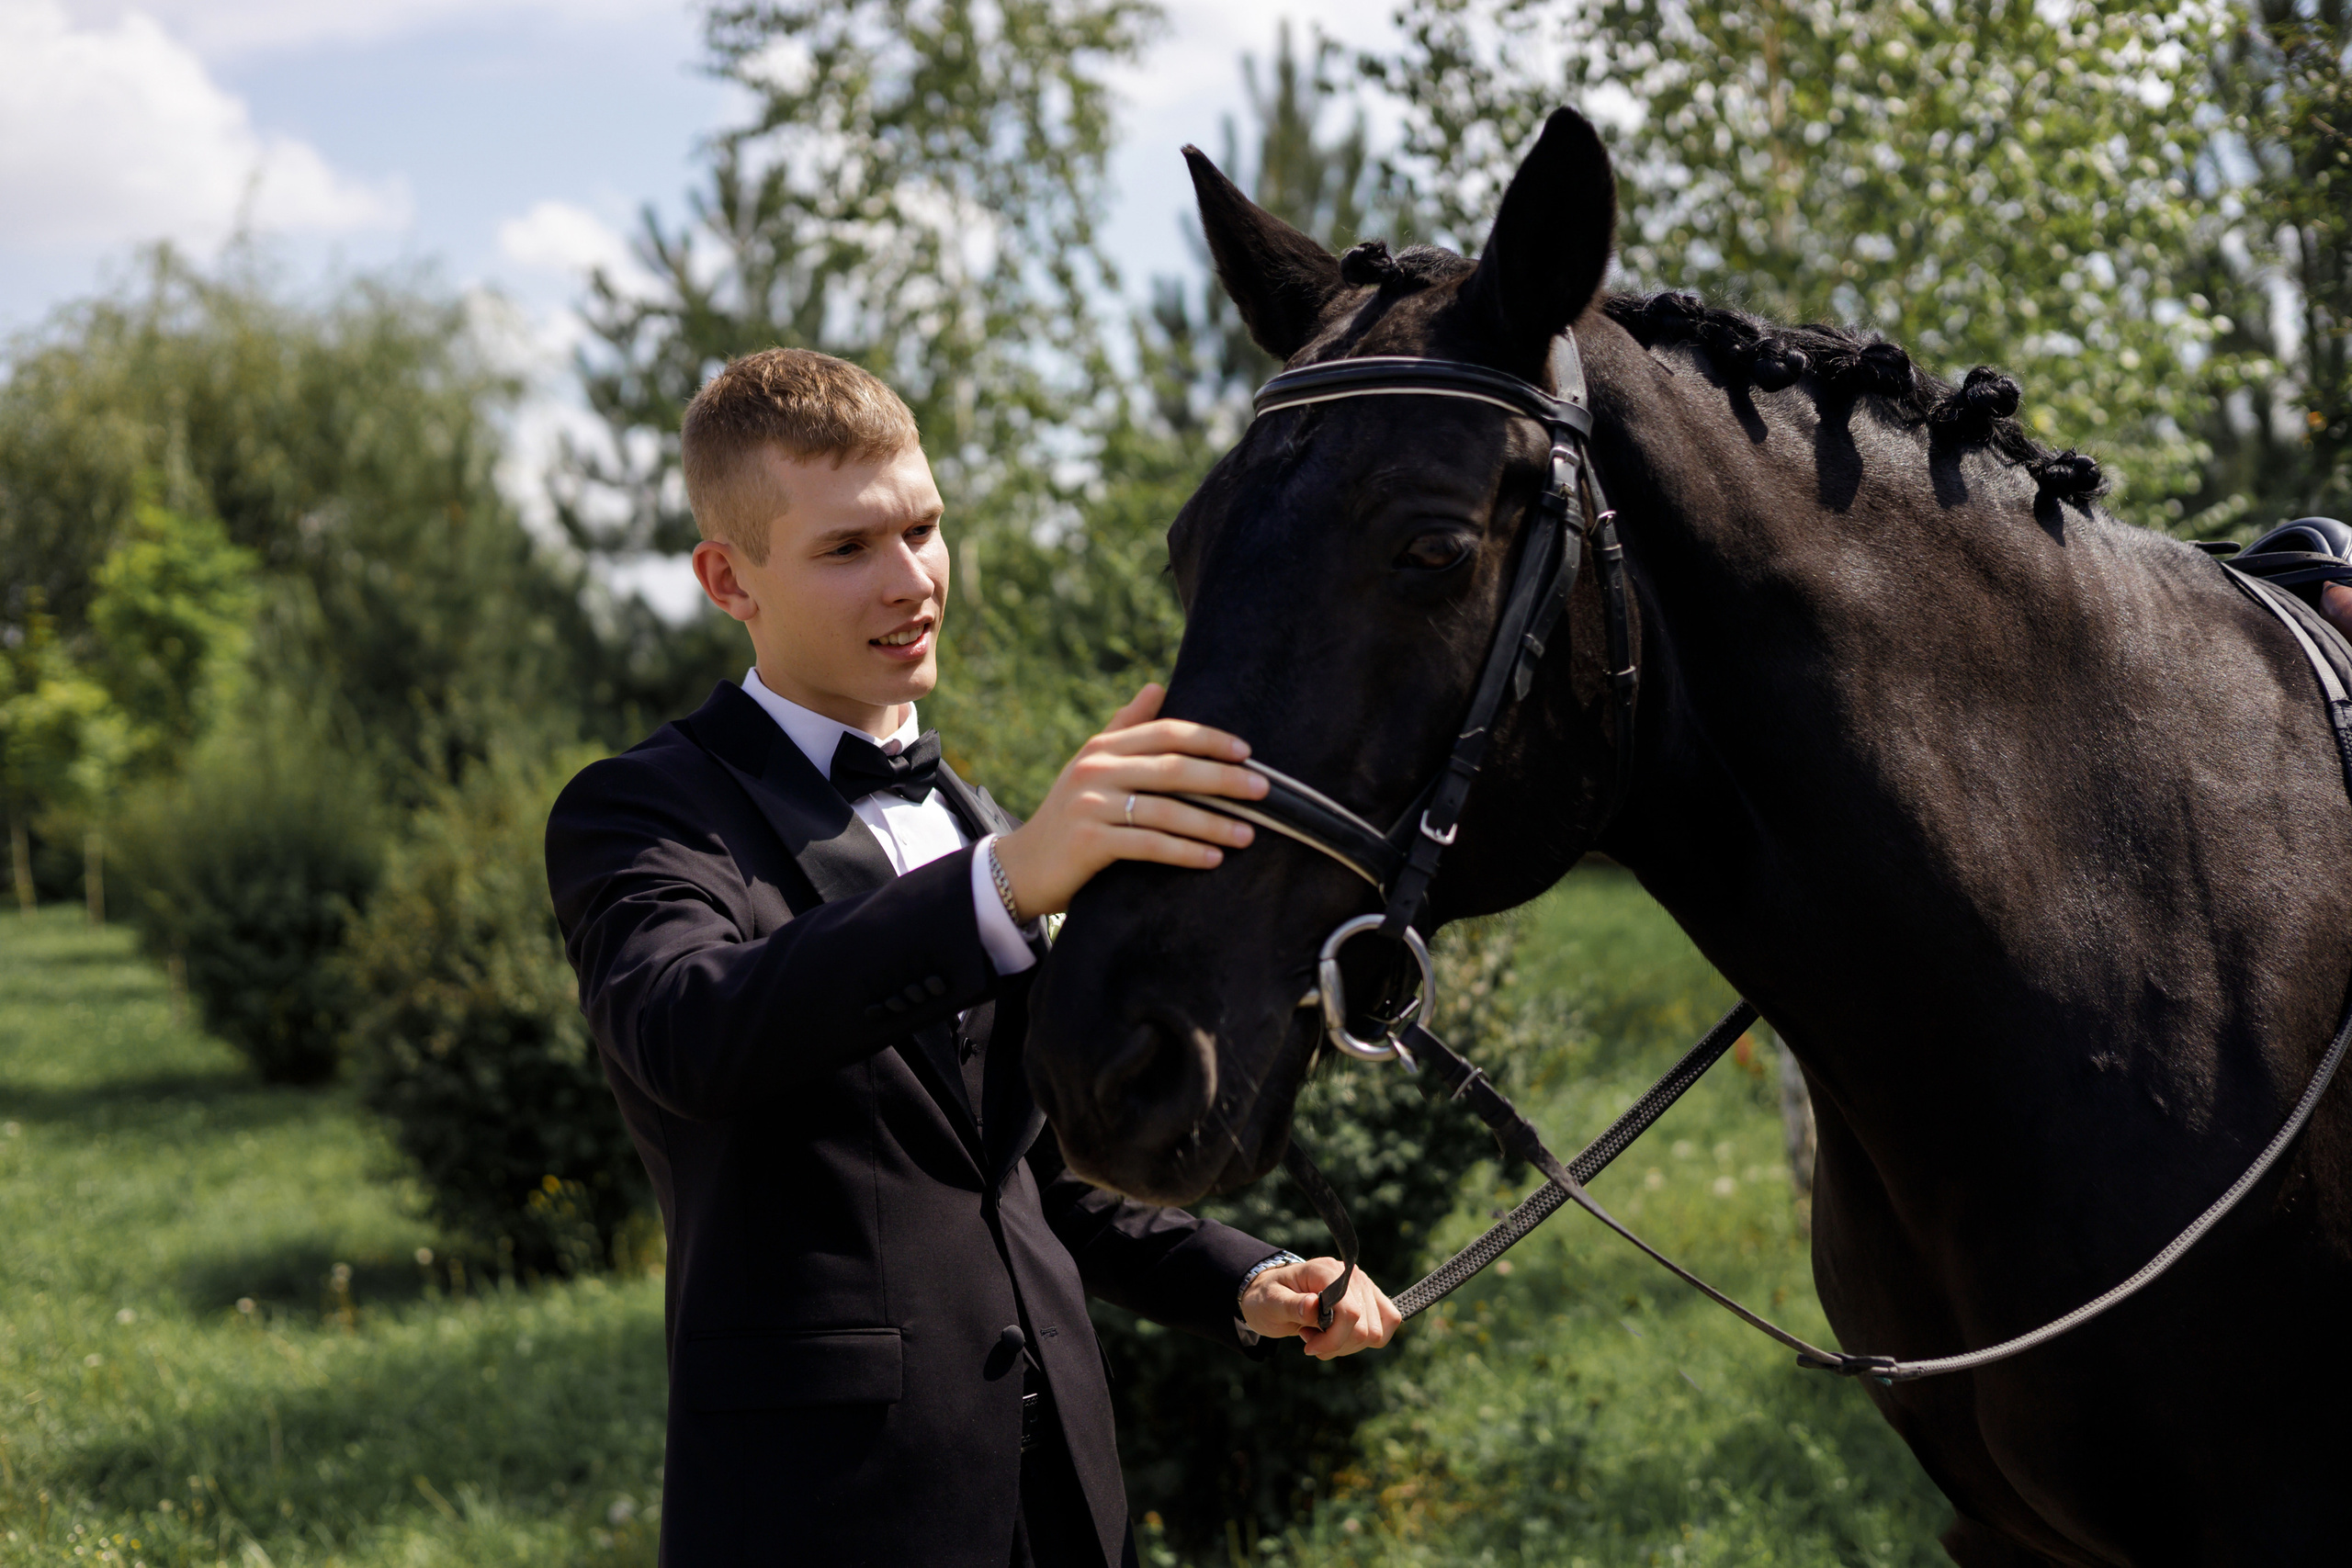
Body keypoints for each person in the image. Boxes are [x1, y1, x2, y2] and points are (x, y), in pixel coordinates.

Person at [544, 347, 1400, 1568]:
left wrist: (1243, 1276)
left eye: (926, 528)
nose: (913, 581)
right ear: (728, 578)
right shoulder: (640, 813)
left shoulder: (980, 818)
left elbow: (1031, 1172)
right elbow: (690, 1032)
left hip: (1062, 1498)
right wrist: (1006, 885)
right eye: (849, 549)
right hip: (823, 1514)